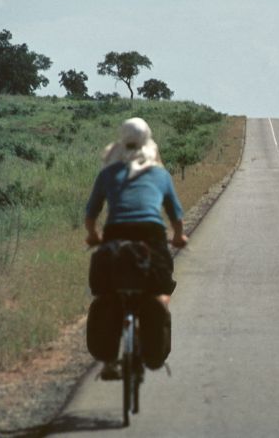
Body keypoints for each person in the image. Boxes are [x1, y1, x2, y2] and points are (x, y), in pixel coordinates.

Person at [85, 117, 187, 379]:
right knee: (161, 291)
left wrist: (93, 236)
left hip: (115, 236)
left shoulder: (107, 173)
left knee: (107, 293)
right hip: (151, 237)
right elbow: (175, 215)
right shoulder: (160, 174)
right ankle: (151, 335)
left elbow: (91, 213)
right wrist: (178, 237)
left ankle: (109, 360)